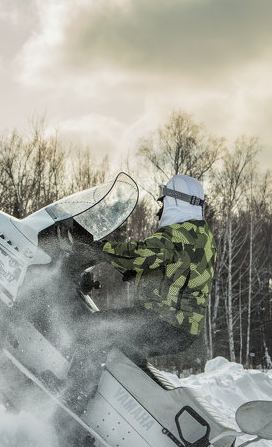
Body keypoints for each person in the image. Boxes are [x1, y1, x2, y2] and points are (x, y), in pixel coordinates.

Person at [63, 173, 216, 406]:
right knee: (128, 355)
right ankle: (133, 411)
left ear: (176, 202)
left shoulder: (179, 234)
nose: (159, 211)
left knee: (95, 329)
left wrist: (95, 246)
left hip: (165, 323)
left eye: (162, 204)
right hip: (179, 327)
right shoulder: (200, 234)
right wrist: (141, 272)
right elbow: (179, 270)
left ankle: (72, 405)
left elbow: (140, 253)